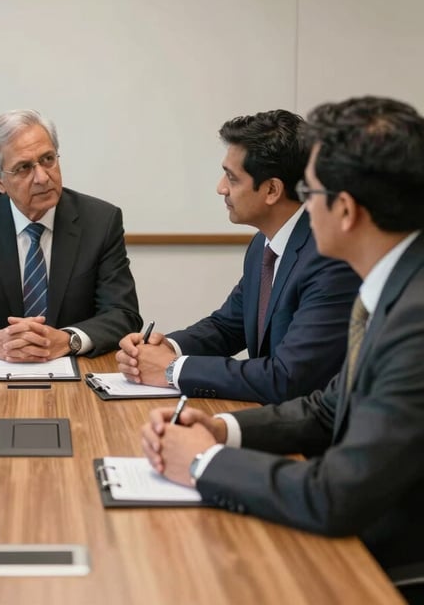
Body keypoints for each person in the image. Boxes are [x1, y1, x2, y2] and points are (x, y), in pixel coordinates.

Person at [140, 96, 424, 597]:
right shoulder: (398, 286)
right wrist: (219, 428)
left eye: (309, 191)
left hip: (387, 555)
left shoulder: (414, 319)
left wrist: (203, 463)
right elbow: (326, 406)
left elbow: (336, 494)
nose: (301, 203)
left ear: (346, 210)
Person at [117, 110, 360, 404]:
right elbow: (227, 327)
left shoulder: (328, 259)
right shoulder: (264, 244)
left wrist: (171, 369)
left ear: (272, 190)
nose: (221, 188)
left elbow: (286, 377)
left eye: (232, 178)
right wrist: (166, 347)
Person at [0, 109, 141, 361]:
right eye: (23, 168)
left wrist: (70, 340)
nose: (42, 177)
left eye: (48, 159)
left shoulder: (100, 221)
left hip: (78, 374)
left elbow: (123, 313)